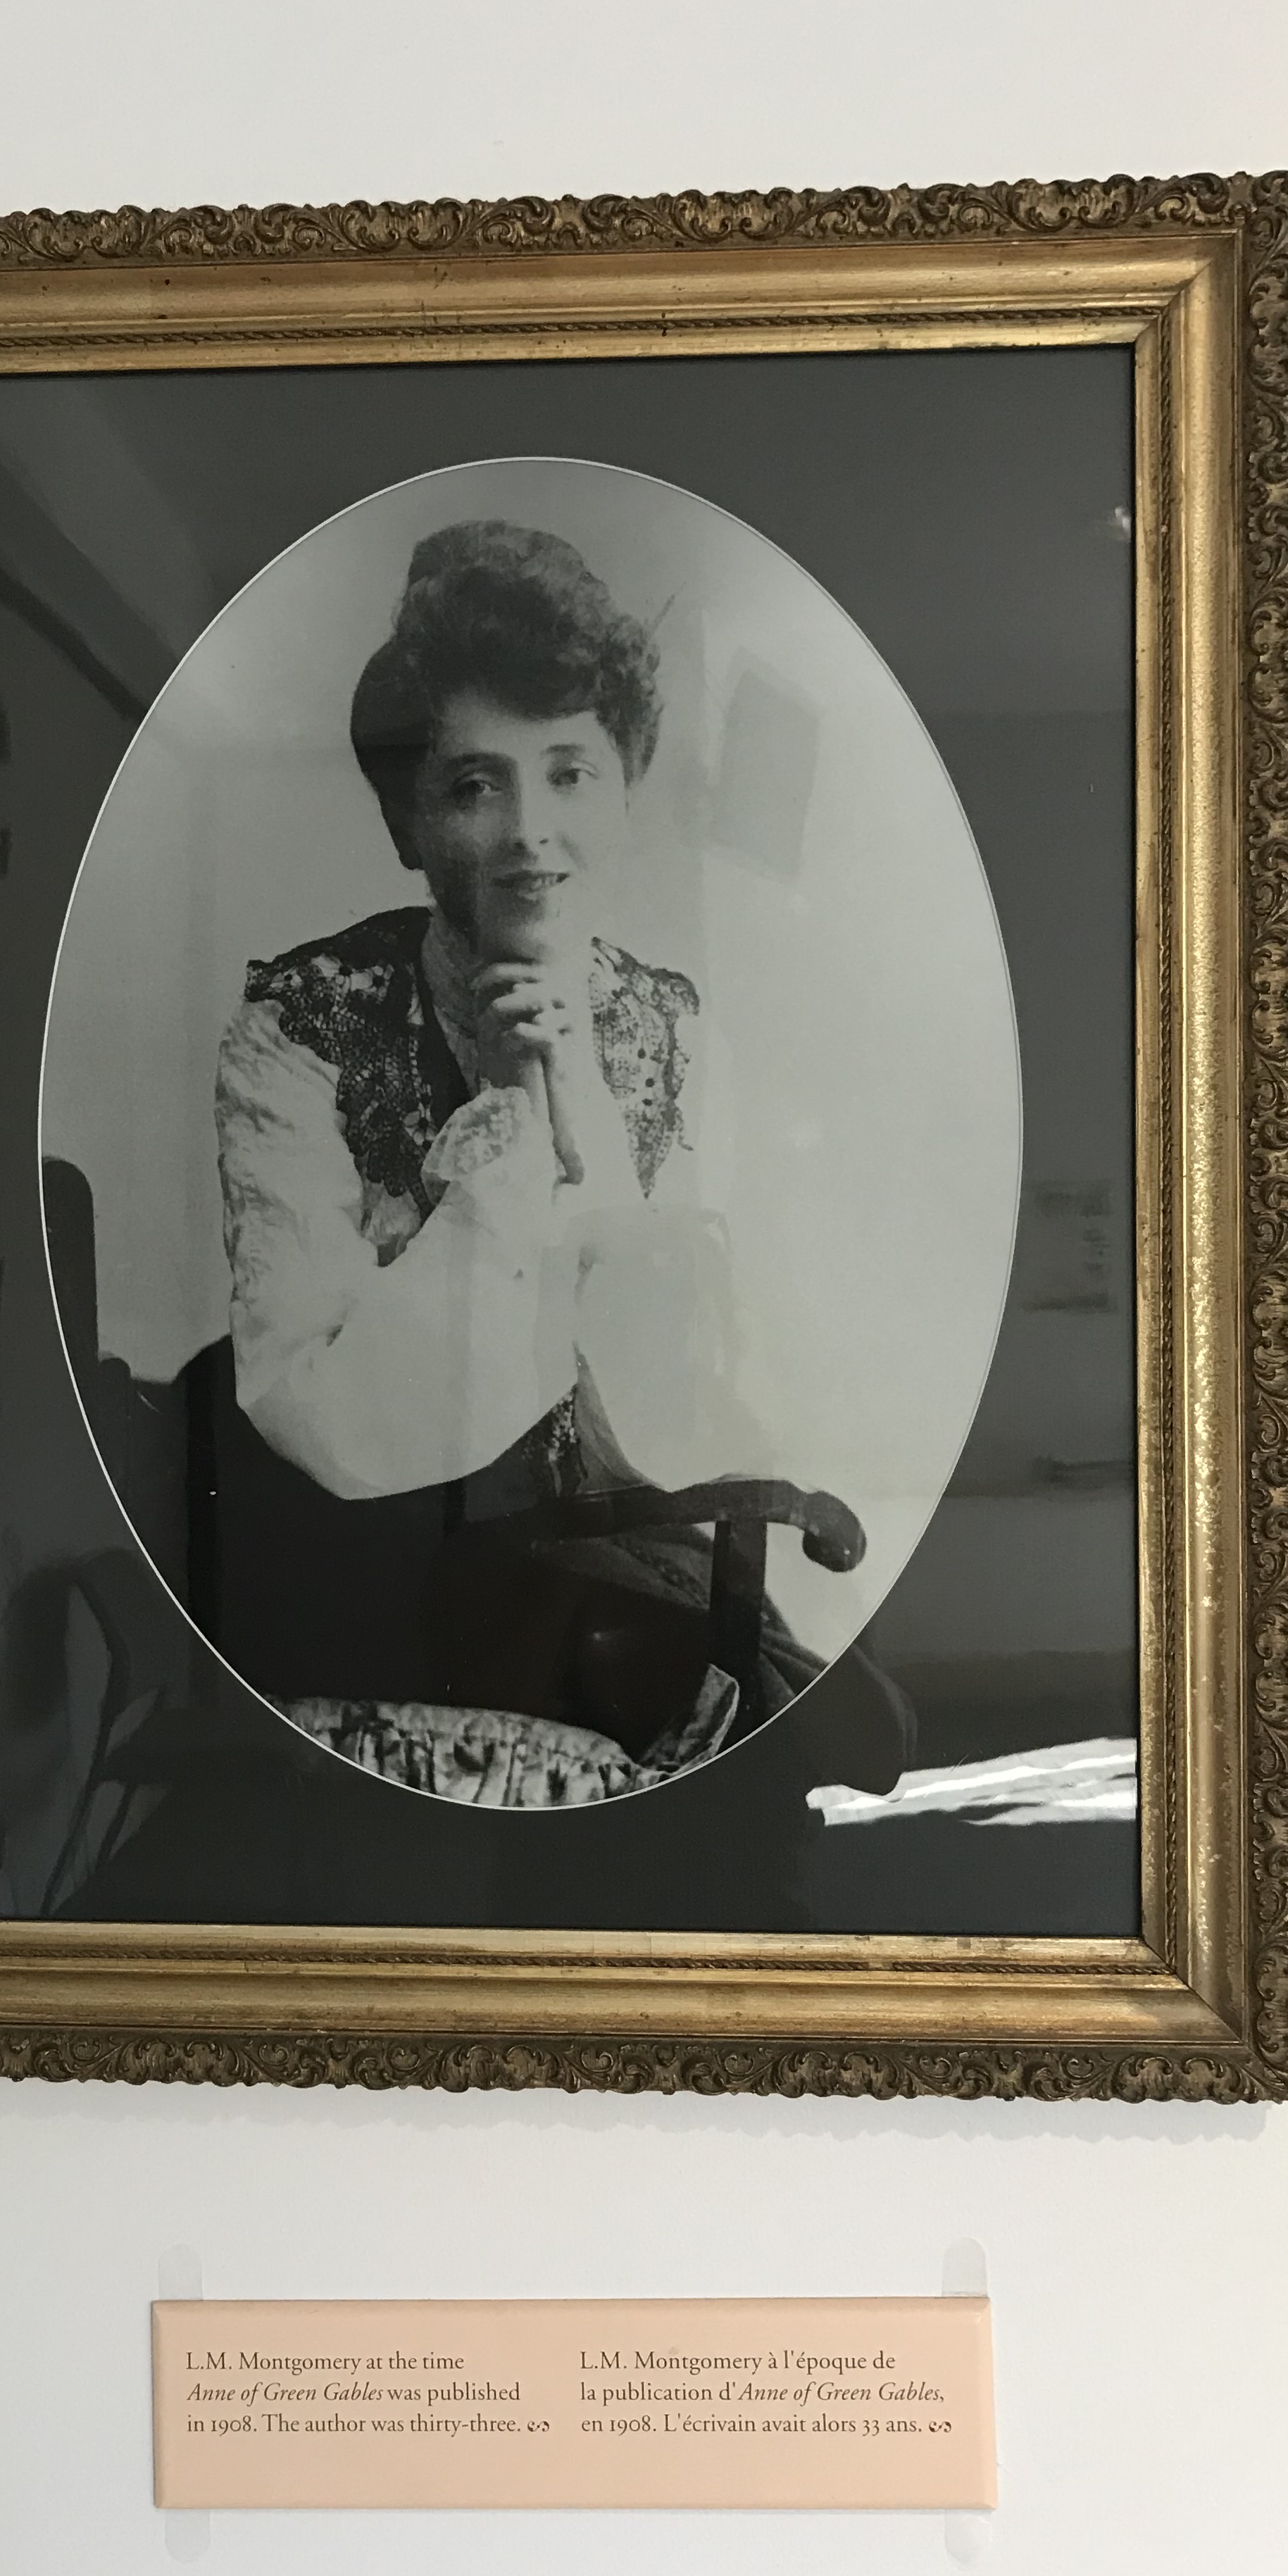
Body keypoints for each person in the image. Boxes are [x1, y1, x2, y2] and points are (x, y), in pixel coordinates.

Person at [210, 519, 825, 1797]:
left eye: (571, 772)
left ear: (625, 794)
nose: (531, 831)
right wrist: (500, 1123)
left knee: (795, 1745)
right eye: (476, 785)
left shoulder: (674, 1032)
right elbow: (325, 1420)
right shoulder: (301, 1030)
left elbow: (675, 1420)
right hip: (367, 1563)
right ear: (409, 822)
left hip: (615, 1548)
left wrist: (576, 1088)